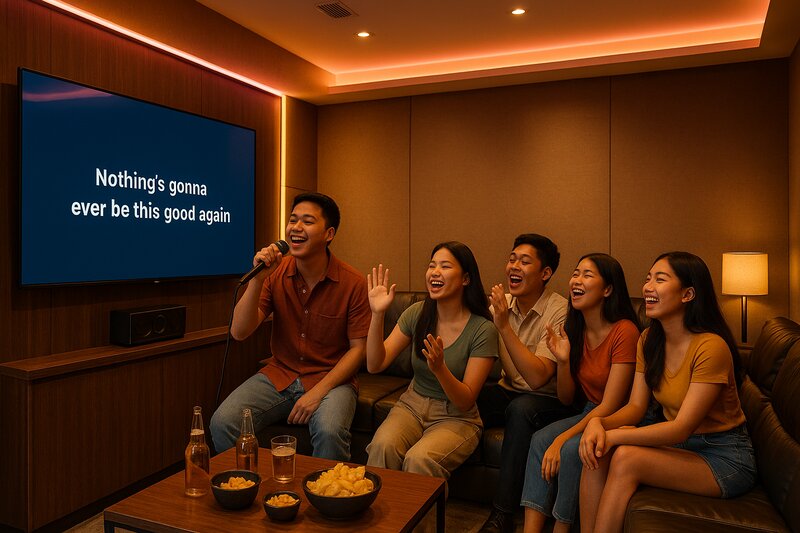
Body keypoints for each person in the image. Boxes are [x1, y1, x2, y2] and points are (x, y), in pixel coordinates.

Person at [578, 252, 756, 533]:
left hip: (722, 455)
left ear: (687, 294)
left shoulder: (711, 347)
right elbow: (636, 407)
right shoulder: (649, 340)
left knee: (625, 457)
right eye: (648, 279)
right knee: (597, 449)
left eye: (660, 280)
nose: (648, 287)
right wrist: (597, 424)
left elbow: (681, 428)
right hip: (680, 447)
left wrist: (611, 434)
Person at [210, 192, 371, 461]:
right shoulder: (274, 274)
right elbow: (239, 331)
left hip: (331, 380)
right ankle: (258, 489)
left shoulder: (353, 283)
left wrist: (317, 393)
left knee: (329, 431)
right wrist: (258, 279)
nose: (296, 228)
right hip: (280, 374)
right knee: (223, 422)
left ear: (328, 233)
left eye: (307, 221)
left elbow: (358, 351)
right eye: (293, 220)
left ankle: (328, 499)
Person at [520, 254, 640, 532]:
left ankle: (562, 528)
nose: (576, 280)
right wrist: (563, 361)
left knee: (572, 448)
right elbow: (566, 398)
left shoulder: (625, 331)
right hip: (589, 411)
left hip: (619, 415)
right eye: (576, 274)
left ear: (608, 289)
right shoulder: (575, 329)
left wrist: (561, 438)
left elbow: (610, 404)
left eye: (587, 275)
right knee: (539, 440)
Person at [365, 241, 499, 481]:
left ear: (465, 279)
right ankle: (384, 519)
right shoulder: (417, 312)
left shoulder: (483, 329)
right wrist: (377, 314)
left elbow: (465, 400)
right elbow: (376, 364)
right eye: (432, 265)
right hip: (411, 405)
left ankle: (420, 519)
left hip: (457, 416)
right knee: (382, 446)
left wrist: (440, 369)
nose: (435, 272)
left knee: (420, 459)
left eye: (445, 266)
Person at [479, 234, 577, 533]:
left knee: (521, 410)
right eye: (511, 259)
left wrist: (503, 325)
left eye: (524, 261)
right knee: (468, 398)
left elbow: (537, 379)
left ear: (545, 273)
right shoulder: (502, 303)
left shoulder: (559, 310)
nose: (513, 267)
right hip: (508, 389)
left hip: (548, 399)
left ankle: (502, 515)